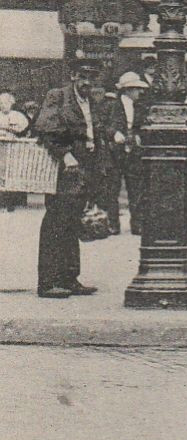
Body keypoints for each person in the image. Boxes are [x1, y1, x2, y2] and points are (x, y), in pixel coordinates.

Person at [32, 60, 104, 298]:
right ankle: (48, 282)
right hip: (64, 170)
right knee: (56, 221)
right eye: (84, 76)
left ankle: (70, 277)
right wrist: (65, 155)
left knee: (73, 221)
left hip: (85, 169)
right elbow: (45, 129)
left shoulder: (92, 101)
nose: (88, 82)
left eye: (92, 78)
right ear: (73, 75)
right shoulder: (58, 96)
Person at [98, 71, 148, 234]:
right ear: (127, 89)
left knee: (136, 189)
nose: (140, 92)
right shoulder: (111, 106)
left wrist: (139, 135)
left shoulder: (140, 107)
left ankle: (137, 224)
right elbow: (100, 126)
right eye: (136, 89)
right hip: (114, 153)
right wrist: (113, 134)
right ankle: (113, 224)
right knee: (112, 190)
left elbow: (143, 126)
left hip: (133, 153)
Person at [0, 91, 30, 210]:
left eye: (4, 103)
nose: (2, 105)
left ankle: (13, 201)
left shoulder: (17, 115)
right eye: (0, 103)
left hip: (13, 149)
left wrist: (7, 128)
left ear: (10, 103)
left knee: (12, 173)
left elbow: (21, 128)